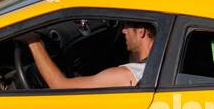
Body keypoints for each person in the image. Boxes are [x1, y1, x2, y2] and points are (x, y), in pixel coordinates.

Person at [22, 22, 154, 89]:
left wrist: (33, 42)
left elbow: (60, 86)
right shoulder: (162, 59)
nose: (123, 31)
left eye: (127, 27)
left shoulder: (125, 75)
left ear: (141, 32)